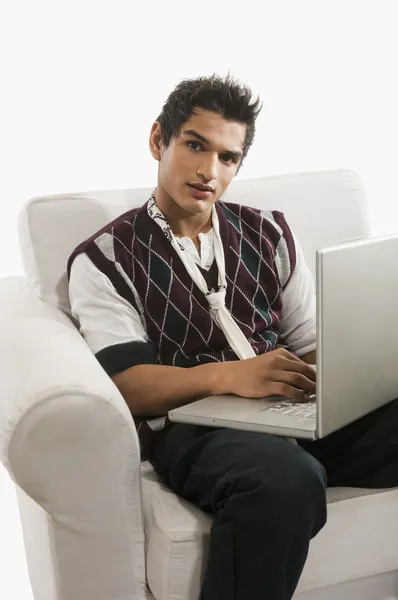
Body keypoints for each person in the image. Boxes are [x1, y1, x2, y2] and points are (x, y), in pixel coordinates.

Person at [67, 74, 398, 600]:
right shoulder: (105, 258)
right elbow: (127, 384)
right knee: (283, 483)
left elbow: (308, 343)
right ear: (159, 139)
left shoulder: (268, 231)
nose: (209, 171)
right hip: (195, 428)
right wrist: (230, 376)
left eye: (228, 157)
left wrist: (360, 366)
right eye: (195, 145)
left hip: (290, 408)